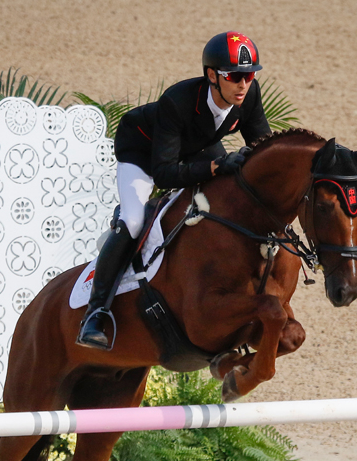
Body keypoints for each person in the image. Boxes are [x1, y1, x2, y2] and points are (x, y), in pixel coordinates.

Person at [77, 31, 271, 349]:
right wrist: (213, 168)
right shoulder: (177, 101)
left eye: (249, 76)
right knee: (135, 220)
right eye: (236, 76)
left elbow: (262, 146)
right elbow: (165, 174)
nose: (244, 84)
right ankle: (96, 313)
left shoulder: (247, 95)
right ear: (212, 75)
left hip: (196, 147)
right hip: (142, 152)